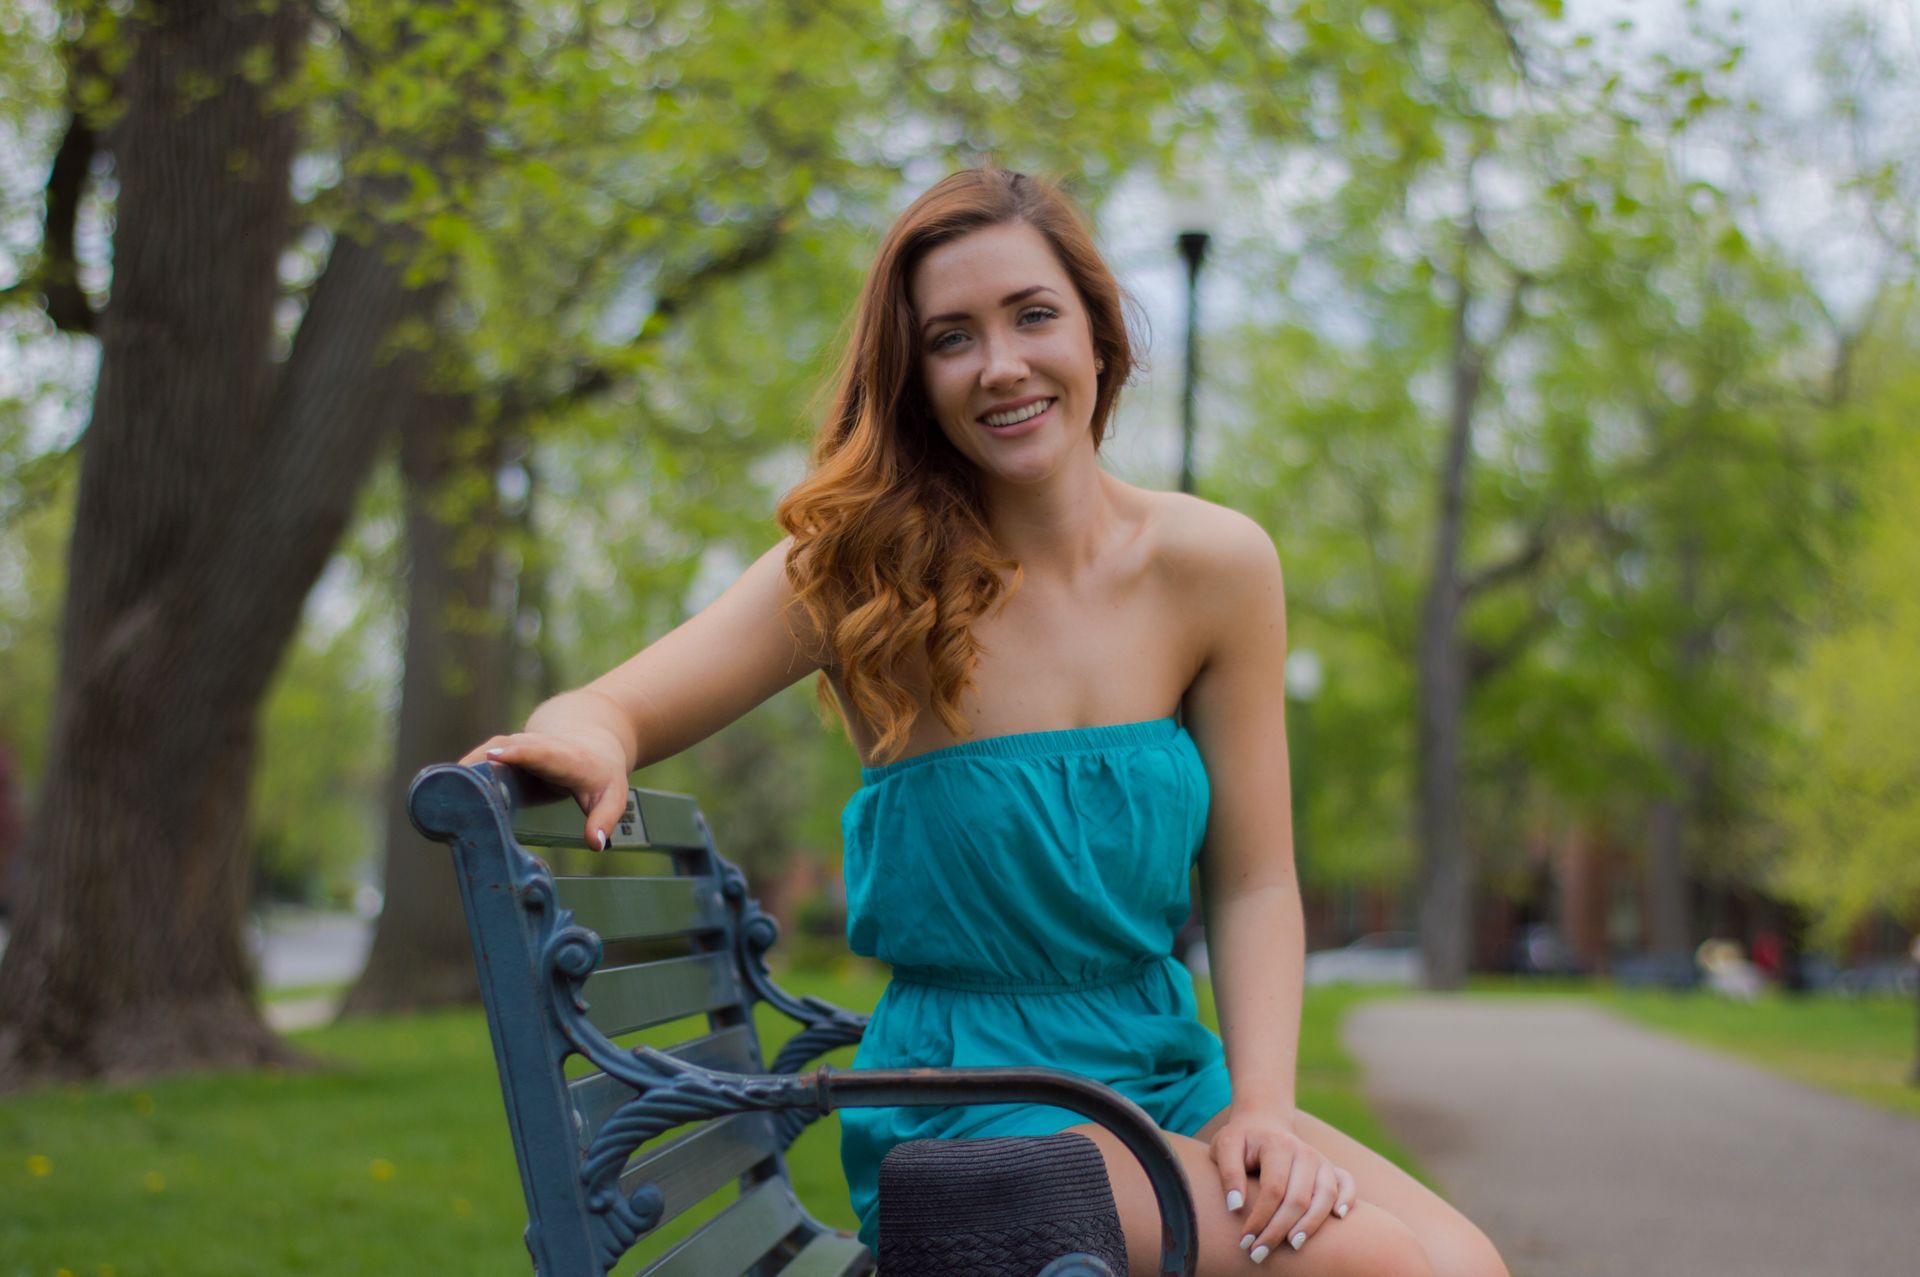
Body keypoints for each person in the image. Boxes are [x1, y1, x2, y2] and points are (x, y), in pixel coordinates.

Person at [461, 168, 1505, 1277]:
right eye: (952, 338)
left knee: (1462, 1262)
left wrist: (1265, 1107)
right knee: (1374, 1264)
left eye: (1032, 315)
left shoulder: (1216, 566)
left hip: (1164, 1071)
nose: (1001, 364)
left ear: (1100, 337)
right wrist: (588, 736)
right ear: (916, 381)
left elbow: (1255, 880)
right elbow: (611, 702)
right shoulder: (864, 573)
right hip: (973, 1105)